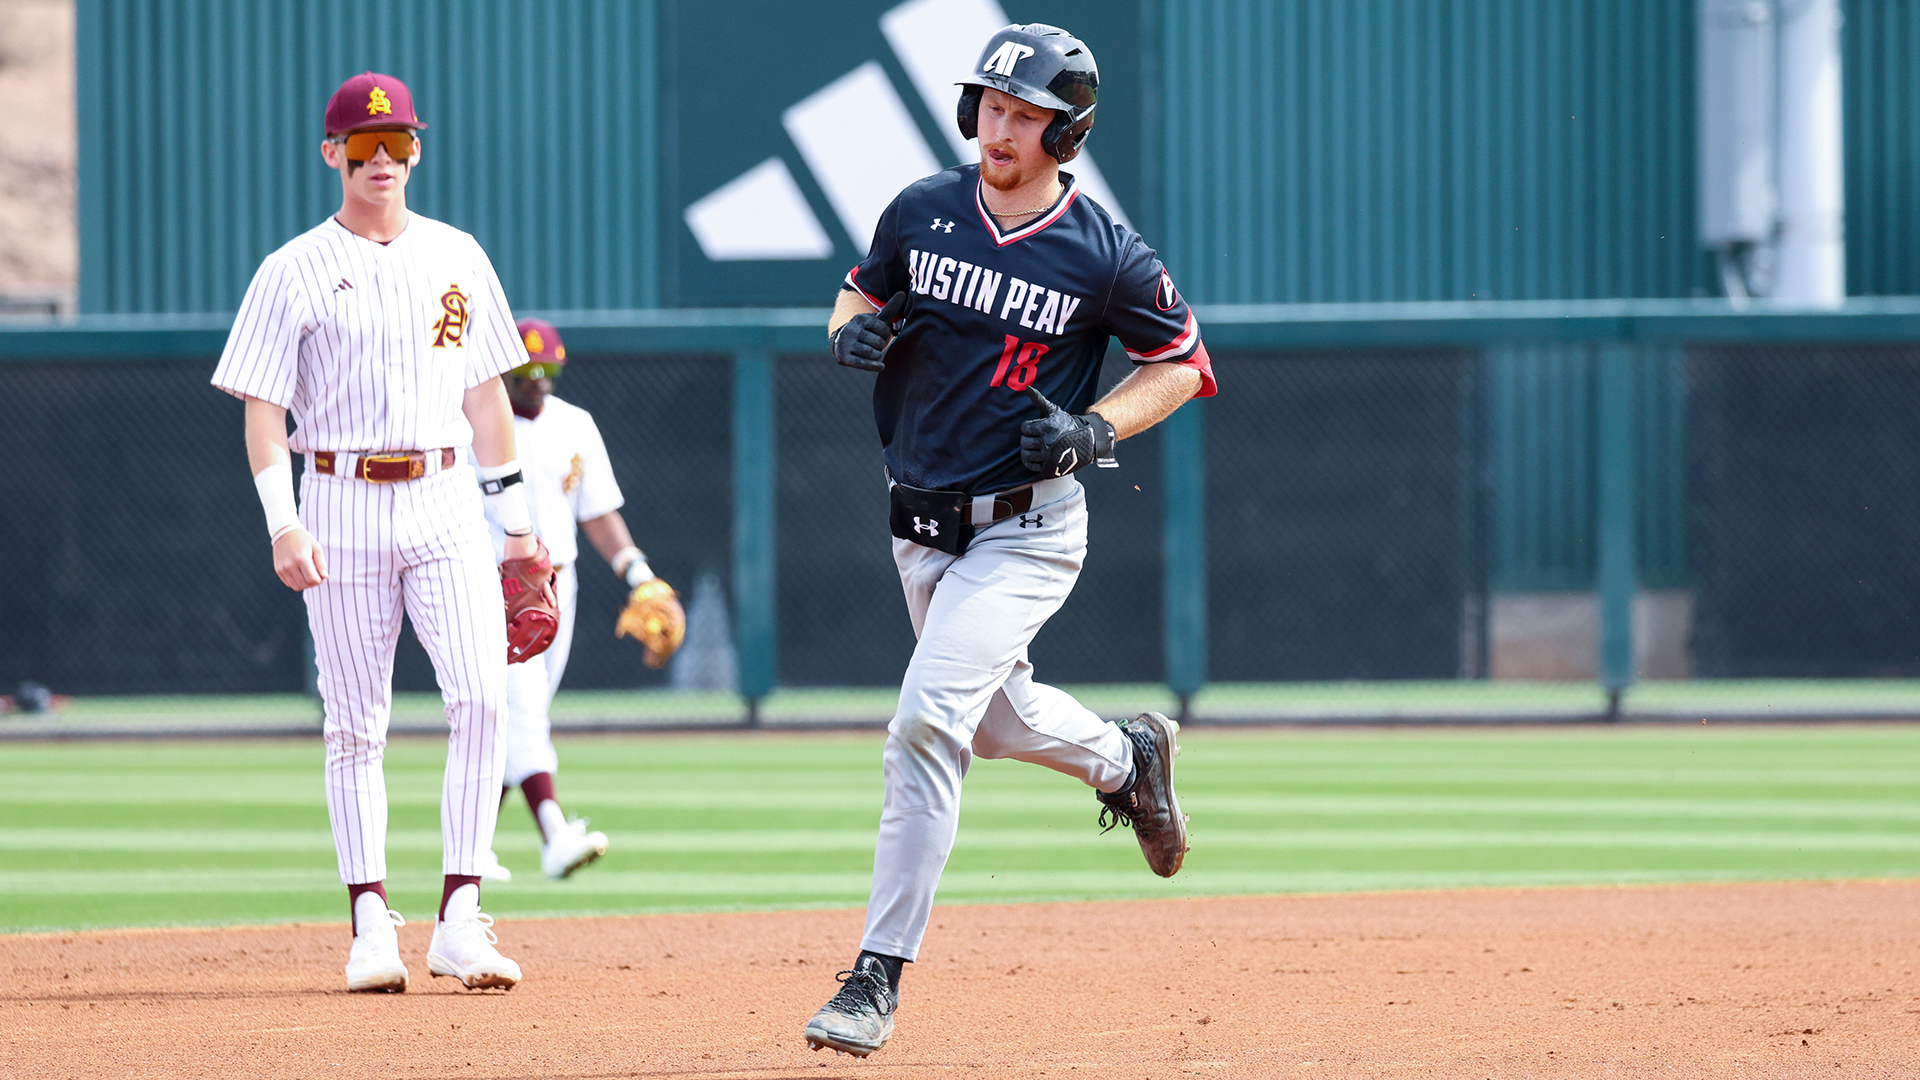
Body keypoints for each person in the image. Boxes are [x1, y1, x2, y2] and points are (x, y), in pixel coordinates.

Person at [803, 23, 1216, 1058]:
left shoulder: (1103, 250)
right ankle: (1128, 759)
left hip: (1027, 530)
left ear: (1064, 131)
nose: (1002, 126)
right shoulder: (923, 209)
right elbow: (861, 291)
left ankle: (875, 977)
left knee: (925, 727)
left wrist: (1096, 427)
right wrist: (845, 327)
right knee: (992, 721)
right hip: (922, 526)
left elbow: (1184, 363)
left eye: (1026, 114)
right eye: (992, 105)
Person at [211, 72, 544, 993]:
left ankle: (461, 918)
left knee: (483, 700)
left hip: (444, 498)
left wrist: (517, 527)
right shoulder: (291, 269)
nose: (383, 159)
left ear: (417, 150)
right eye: (364, 146)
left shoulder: (458, 255)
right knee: (357, 724)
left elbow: (488, 400)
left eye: (398, 143)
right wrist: (284, 524)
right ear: (333, 155)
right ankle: (368, 924)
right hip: (342, 498)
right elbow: (263, 413)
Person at [473, 318, 685, 883]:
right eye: (527, 371)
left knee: (515, 718)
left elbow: (598, 512)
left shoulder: (576, 424)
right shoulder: (476, 422)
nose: (539, 381)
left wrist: (639, 573)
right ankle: (554, 834)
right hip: (498, 586)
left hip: (560, 581)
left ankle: (474, 851)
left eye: (549, 371)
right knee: (523, 711)